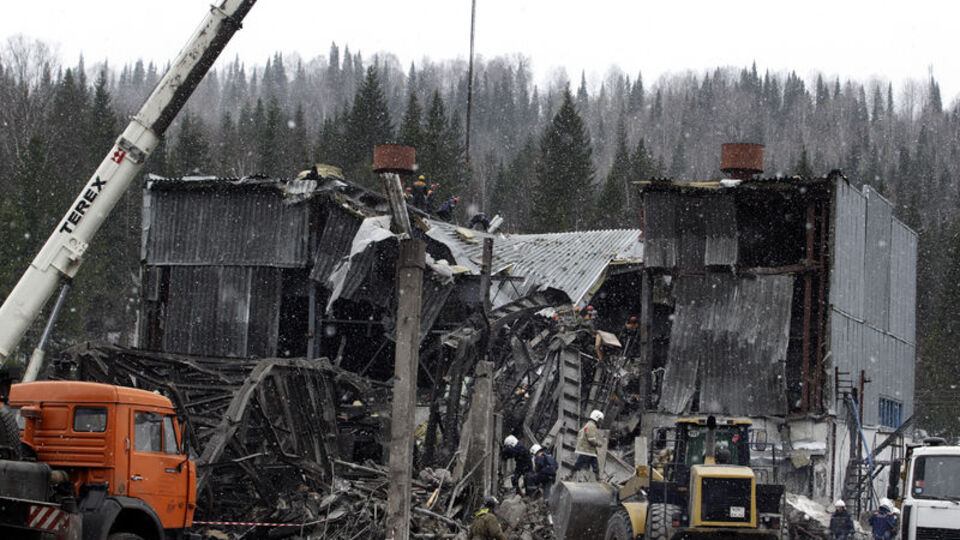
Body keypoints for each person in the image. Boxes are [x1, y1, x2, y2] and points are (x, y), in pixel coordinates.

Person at [571, 410, 604, 479]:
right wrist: (598, 444)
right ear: (596, 418)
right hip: (586, 450)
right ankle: (571, 475)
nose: (601, 421)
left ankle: (598, 478)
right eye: (600, 420)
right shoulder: (591, 426)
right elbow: (591, 439)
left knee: (594, 464)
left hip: (589, 450)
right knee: (580, 463)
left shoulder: (590, 424)